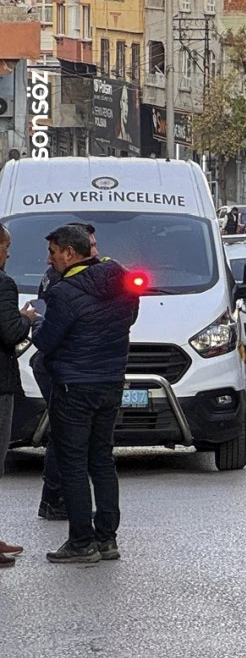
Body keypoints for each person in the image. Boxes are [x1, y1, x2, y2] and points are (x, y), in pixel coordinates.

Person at [31, 224, 139, 563]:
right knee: (103, 460)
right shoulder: (121, 285)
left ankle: (81, 542)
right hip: (109, 383)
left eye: (52, 252)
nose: (49, 259)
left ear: (68, 253)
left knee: (73, 463)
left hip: (73, 387)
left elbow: (46, 342)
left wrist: (36, 323)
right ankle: (107, 538)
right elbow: (129, 321)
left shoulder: (63, 293)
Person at [30, 222, 98, 520]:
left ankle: (53, 497)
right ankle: (56, 498)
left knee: (64, 433)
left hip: (66, 364)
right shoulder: (59, 279)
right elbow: (50, 330)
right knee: (66, 434)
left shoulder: (69, 276)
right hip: (57, 365)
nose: (94, 251)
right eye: (91, 246)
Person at [0, 223, 31, 567]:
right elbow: (9, 332)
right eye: (6, 247)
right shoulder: (4, 284)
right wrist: (25, 319)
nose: (8, 254)